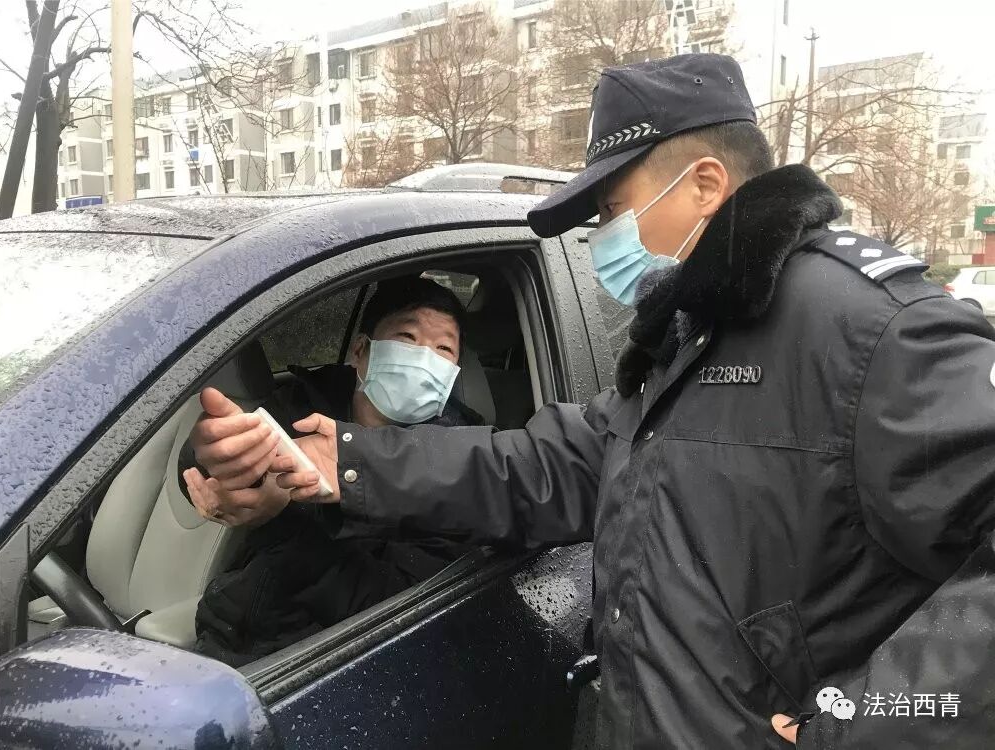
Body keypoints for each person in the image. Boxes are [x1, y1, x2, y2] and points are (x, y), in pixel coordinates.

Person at [194, 55, 995, 748]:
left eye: (610, 208)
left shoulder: (866, 326)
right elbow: (541, 466)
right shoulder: (690, 340)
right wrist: (348, 460)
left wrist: (863, 722)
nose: (601, 235)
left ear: (705, 185)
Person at [180, 276, 483, 666]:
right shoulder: (305, 401)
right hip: (228, 629)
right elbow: (223, 456)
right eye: (407, 338)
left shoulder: (458, 465)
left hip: (328, 663)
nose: (424, 359)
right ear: (360, 350)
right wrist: (212, 464)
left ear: (453, 373)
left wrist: (282, 518)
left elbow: (399, 608)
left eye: (443, 349)